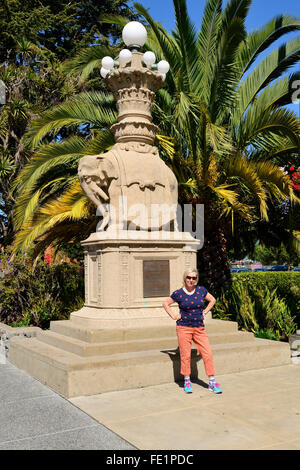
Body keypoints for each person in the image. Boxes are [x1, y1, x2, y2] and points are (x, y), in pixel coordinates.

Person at [163, 268, 222, 394]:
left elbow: (212, 300)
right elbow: (166, 303)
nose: (191, 280)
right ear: (185, 279)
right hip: (183, 328)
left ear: (196, 279)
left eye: (194, 278)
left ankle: (212, 381)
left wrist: (205, 311)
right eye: (189, 277)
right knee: (185, 355)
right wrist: (174, 316)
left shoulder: (201, 290)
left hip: (199, 328)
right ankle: (187, 380)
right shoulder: (178, 293)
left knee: (207, 353)